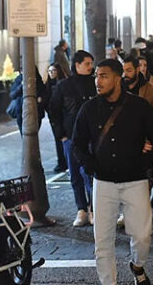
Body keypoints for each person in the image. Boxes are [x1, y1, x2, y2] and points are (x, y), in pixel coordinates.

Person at [71, 59, 153, 285]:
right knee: (102, 241)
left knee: (142, 236)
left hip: (135, 180)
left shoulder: (139, 106)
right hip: (103, 182)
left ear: (117, 77)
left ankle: (137, 265)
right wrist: (91, 166)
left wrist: (145, 160)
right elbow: (78, 144)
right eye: (96, 76)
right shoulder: (89, 108)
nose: (97, 81)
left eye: (103, 76)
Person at [49, 50, 97, 227]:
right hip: (70, 137)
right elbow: (54, 110)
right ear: (77, 65)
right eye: (87, 64)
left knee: (90, 173)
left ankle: (93, 208)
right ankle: (81, 209)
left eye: (91, 64)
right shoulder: (64, 86)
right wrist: (61, 134)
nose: (90, 67)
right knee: (75, 173)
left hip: (92, 137)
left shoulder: (95, 83)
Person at [45, 63, 68, 172]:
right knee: (58, 140)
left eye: (53, 71)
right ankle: (61, 162)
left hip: (64, 116)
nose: (51, 73)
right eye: (49, 71)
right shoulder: (48, 85)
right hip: (53, 117)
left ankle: (66, 161)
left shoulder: (63, 85)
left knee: (65, 140)